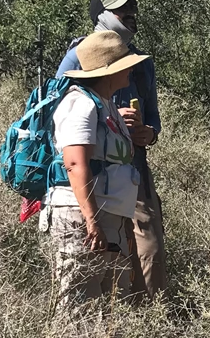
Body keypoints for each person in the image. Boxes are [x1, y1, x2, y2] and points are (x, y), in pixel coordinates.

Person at [57, 0, 168, 297]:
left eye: (132, 12)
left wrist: (148, 133)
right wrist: (107, 116)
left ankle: (147, 319)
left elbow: (154, 119)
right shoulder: (80, 54)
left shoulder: (141, 63)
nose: (130, 17)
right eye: (122, 12)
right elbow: (60, 107)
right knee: (96, 255)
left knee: (149, 248)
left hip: (132, 167)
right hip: (90, 175)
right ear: (102, 16)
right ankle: (109, 326)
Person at [42, 30, 150, 315]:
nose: (131, 68)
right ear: (109, 71)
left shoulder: (107, 105)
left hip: (108, 216)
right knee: (79, 306)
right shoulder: (80, 104)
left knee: (114, 303)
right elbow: (76, 164)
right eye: (125, 63)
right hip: (80, 217)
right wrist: (92, 221)